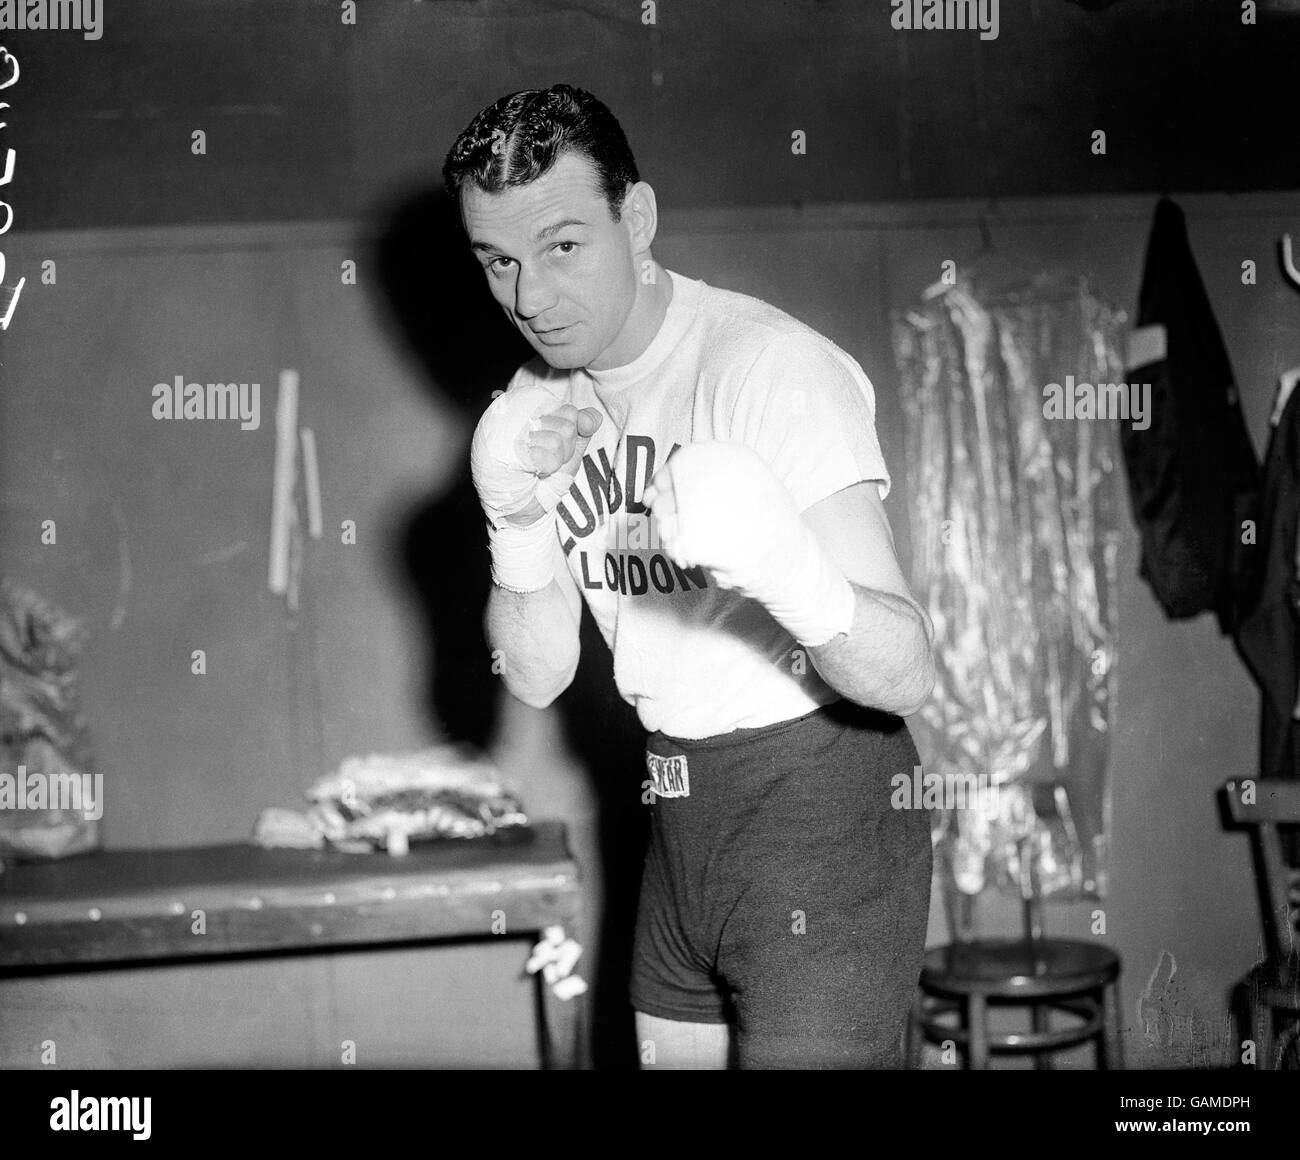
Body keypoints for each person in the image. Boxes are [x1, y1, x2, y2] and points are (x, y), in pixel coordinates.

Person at [443, 83, 935, 1069]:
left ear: (638, 217)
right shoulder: (535, 405)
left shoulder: (768, 369)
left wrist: (786, 565)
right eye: (499, 260)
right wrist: (513, 521)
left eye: (563, 245)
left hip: (818, 795)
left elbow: (906, 672)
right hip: (674, 806)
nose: (529, 297)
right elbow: (534, 674)